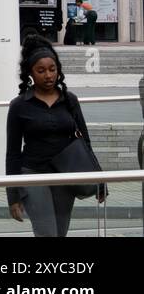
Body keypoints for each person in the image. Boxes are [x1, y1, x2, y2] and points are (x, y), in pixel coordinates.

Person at [6, 36, 105, 237]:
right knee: (47, 234)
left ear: (58, 70)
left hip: (65, 175)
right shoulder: (19, 105)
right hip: (33, 174)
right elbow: (13, 153)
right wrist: (13, 195)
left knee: (59, 233)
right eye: (41, 71)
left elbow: (85, 143)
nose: (48, 75)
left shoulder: (70, 100)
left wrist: (100, 179)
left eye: (52, 69)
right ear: (30, 73)